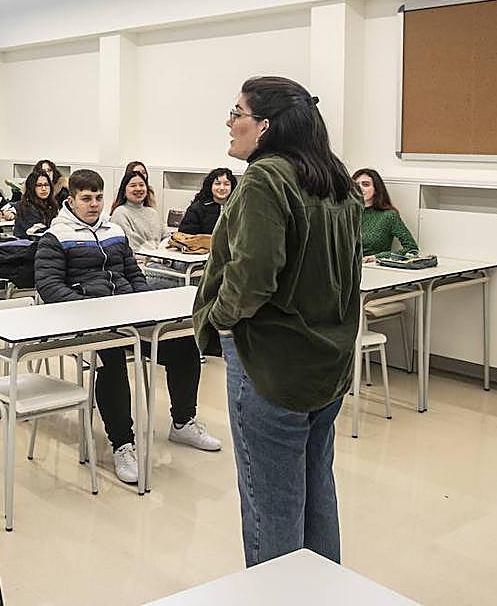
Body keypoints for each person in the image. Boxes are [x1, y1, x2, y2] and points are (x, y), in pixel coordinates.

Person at [194, 76, 362, 567]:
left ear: (264, 127)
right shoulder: (337, 182)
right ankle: (321, 591)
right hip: (327, 361)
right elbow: (349, 276)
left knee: (270, 503)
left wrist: (221, 322)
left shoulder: (267, 178)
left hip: (272, 363)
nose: (230, 123)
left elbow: (251, 280)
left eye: (237, 113)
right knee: (316, 489)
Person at [36, 170, 219, 487]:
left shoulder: (114, 231)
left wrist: (145, 306)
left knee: (185, 343)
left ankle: (183, 422)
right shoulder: (56, 237)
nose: (94, 205)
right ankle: (122, 443)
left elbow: (135, 276)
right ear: (71, 200)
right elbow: (50, 288)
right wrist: (92, 309)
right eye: (86, 199)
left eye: (98, 197)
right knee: (112, 357)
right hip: (87, 320)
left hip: (127, 314)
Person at [352, 168, 418, 262]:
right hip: (344, 269)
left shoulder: (388, 215)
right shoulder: (345, 214)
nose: (360, 188)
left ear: (376, 189)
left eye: (365, 184)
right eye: (356, 185)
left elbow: (412, 249)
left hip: (375, 269)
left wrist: (377, 257)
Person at [109, 169, 167, 254]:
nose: (138, 189)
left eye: (141, 185)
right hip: (139, 262)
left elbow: (166, 237)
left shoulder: (153, 213)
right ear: (124, 191)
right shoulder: (120, 213)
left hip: (160, 259)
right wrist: (156, 255)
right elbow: (131, 245)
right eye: (133, 185)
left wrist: (162, 251)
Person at [178, 167, 237, 235]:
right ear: (210, 186)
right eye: (217, 183)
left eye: (226, 184)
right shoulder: (196, 209)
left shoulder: (238, 208)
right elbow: (184, 236)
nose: (222, 188)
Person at [13, 170, 58, 239]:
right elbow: (35, 231)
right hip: (28, 245)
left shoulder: (52, 205)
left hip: (46, 242)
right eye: (39, 185)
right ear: (31, 187)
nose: (44, 189)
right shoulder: (27, 207)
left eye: (46, 185)